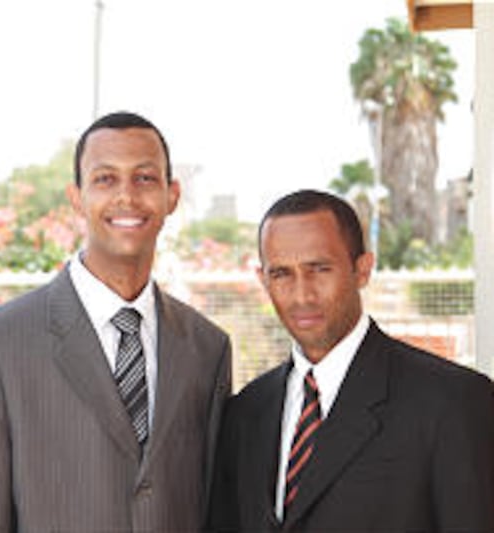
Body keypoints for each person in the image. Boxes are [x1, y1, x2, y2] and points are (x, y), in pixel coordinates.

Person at [0, 111, 231, 532]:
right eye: (105, 179)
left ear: (172, 196)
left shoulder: (207, 348)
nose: (127, 197)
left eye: (145, 178)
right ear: (76, 197)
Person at [207, 189, 494, 531]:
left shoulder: (453, 402)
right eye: (282, 274)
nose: (302, 295)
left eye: (320, 269)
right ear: (263, 279)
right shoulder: (244, 414)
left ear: (363, 269)